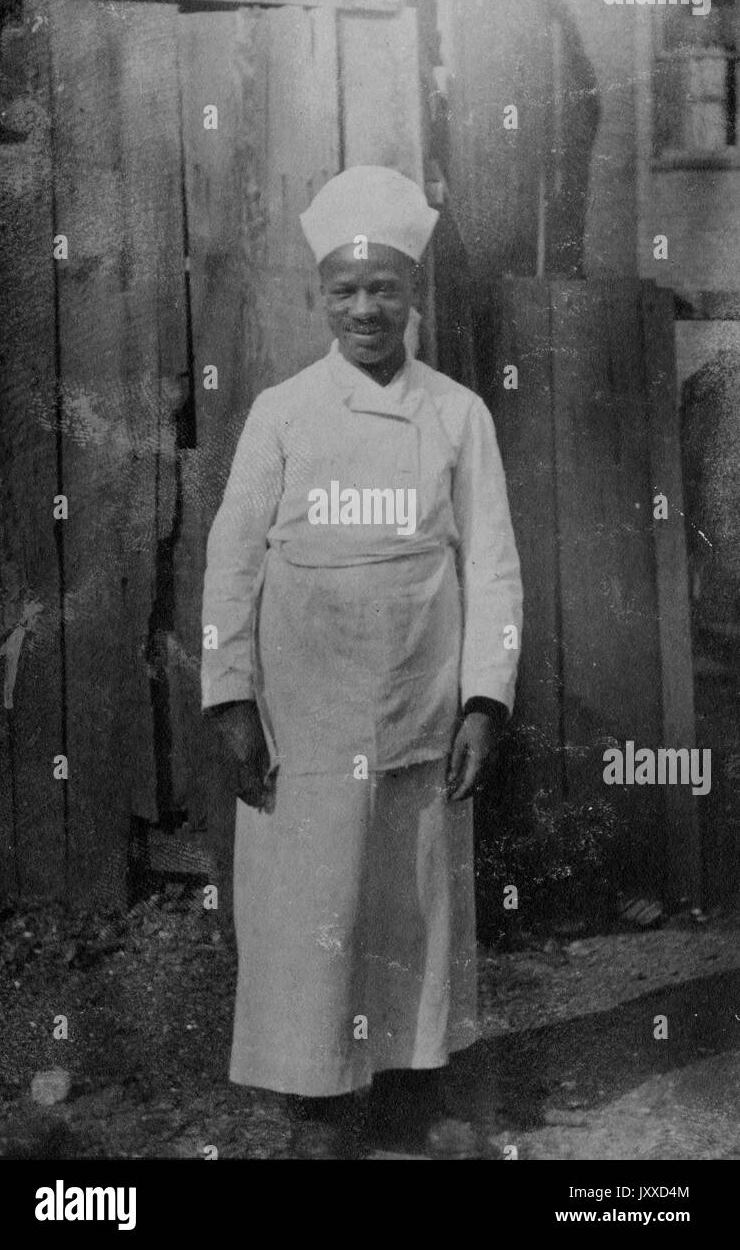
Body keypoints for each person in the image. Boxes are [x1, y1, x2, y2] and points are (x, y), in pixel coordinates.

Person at [201, 165, 523, 1158]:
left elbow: (496, 562)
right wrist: (231, 699)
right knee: (311, 909)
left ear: (410, 294)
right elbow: (230, 563)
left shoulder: (457, 414)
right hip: (307, 709)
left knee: (411, 906)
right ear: (318, 300)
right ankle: (316, 1106)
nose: (364, 307)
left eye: (383, 286)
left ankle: (410, 1096)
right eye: (343, 289)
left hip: (420, 703)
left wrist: (483, 699)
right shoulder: (281, 413)